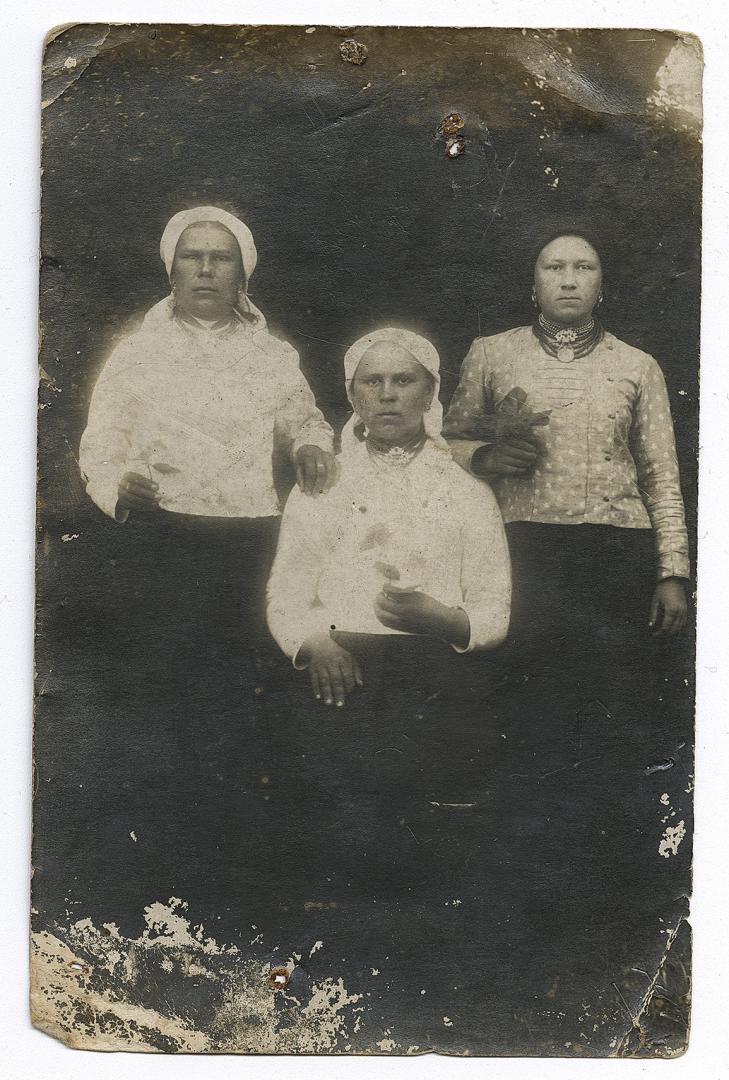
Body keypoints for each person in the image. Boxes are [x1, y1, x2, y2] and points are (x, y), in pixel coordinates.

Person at [77, 206, 338, 911]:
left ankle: (245, 881)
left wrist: (313, 445)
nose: (204, 269)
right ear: (170, 267)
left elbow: (305, 417)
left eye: (220, 258)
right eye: (191, 256)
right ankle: (162, 882)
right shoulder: (137, 353)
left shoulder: (270, 355)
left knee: (249, 714)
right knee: (169, 711)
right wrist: (116, 486)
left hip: (252, 544)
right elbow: (102, 445)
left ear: (242, 271)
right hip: (167, 548)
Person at [442, 227, 691, 914]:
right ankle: (513, 878)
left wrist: (671, 569)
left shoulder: (636, 366)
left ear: (602, 285)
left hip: (611, 559)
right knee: (520, 713)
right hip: (521, 553)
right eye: (554, 266)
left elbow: (660, 475)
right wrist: (485, 460)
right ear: (533, 283)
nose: (569, 279)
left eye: (584, 267)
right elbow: (448, 442)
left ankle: (600, 885)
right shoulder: (491, 355)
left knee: (602, 716)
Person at [265, 327, 511, 905]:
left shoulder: (467, 493)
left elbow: (494, 608)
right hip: (341, 672)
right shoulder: (321, 487)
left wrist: (442, 620)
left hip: (434, 679)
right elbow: (286, 594)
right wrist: (316, 643)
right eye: (372, 382)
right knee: (336, 839)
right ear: (353, 398)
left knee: (430, 846)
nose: (388, 395)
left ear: (431, 395)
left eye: (405, 381)